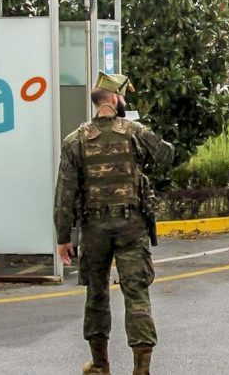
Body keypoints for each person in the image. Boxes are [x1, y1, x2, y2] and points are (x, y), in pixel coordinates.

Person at [54, 72, 174, 375]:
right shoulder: (134, 131)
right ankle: (141, 369)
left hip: (94, 229)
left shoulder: (75, 140)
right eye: (123, 97)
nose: (125, 102)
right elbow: (166, 155)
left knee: (96, 294)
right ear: (113, 98)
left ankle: (100, 364)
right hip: (131, 225)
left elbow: (64, 193)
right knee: (136, 293)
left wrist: (63, 237)